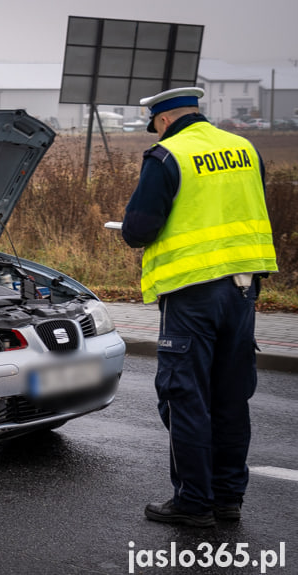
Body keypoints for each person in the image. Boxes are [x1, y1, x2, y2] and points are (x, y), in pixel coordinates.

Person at [121, 86, 278, 527]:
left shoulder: (168, 156)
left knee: (184, 397)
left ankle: (194, 502)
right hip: (244, 288)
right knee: (231, 398)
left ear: (163, 120)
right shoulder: (244, 148)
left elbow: (138, 229)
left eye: (155, 125)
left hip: (192, 293)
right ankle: (228, 499)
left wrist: (131, 227)